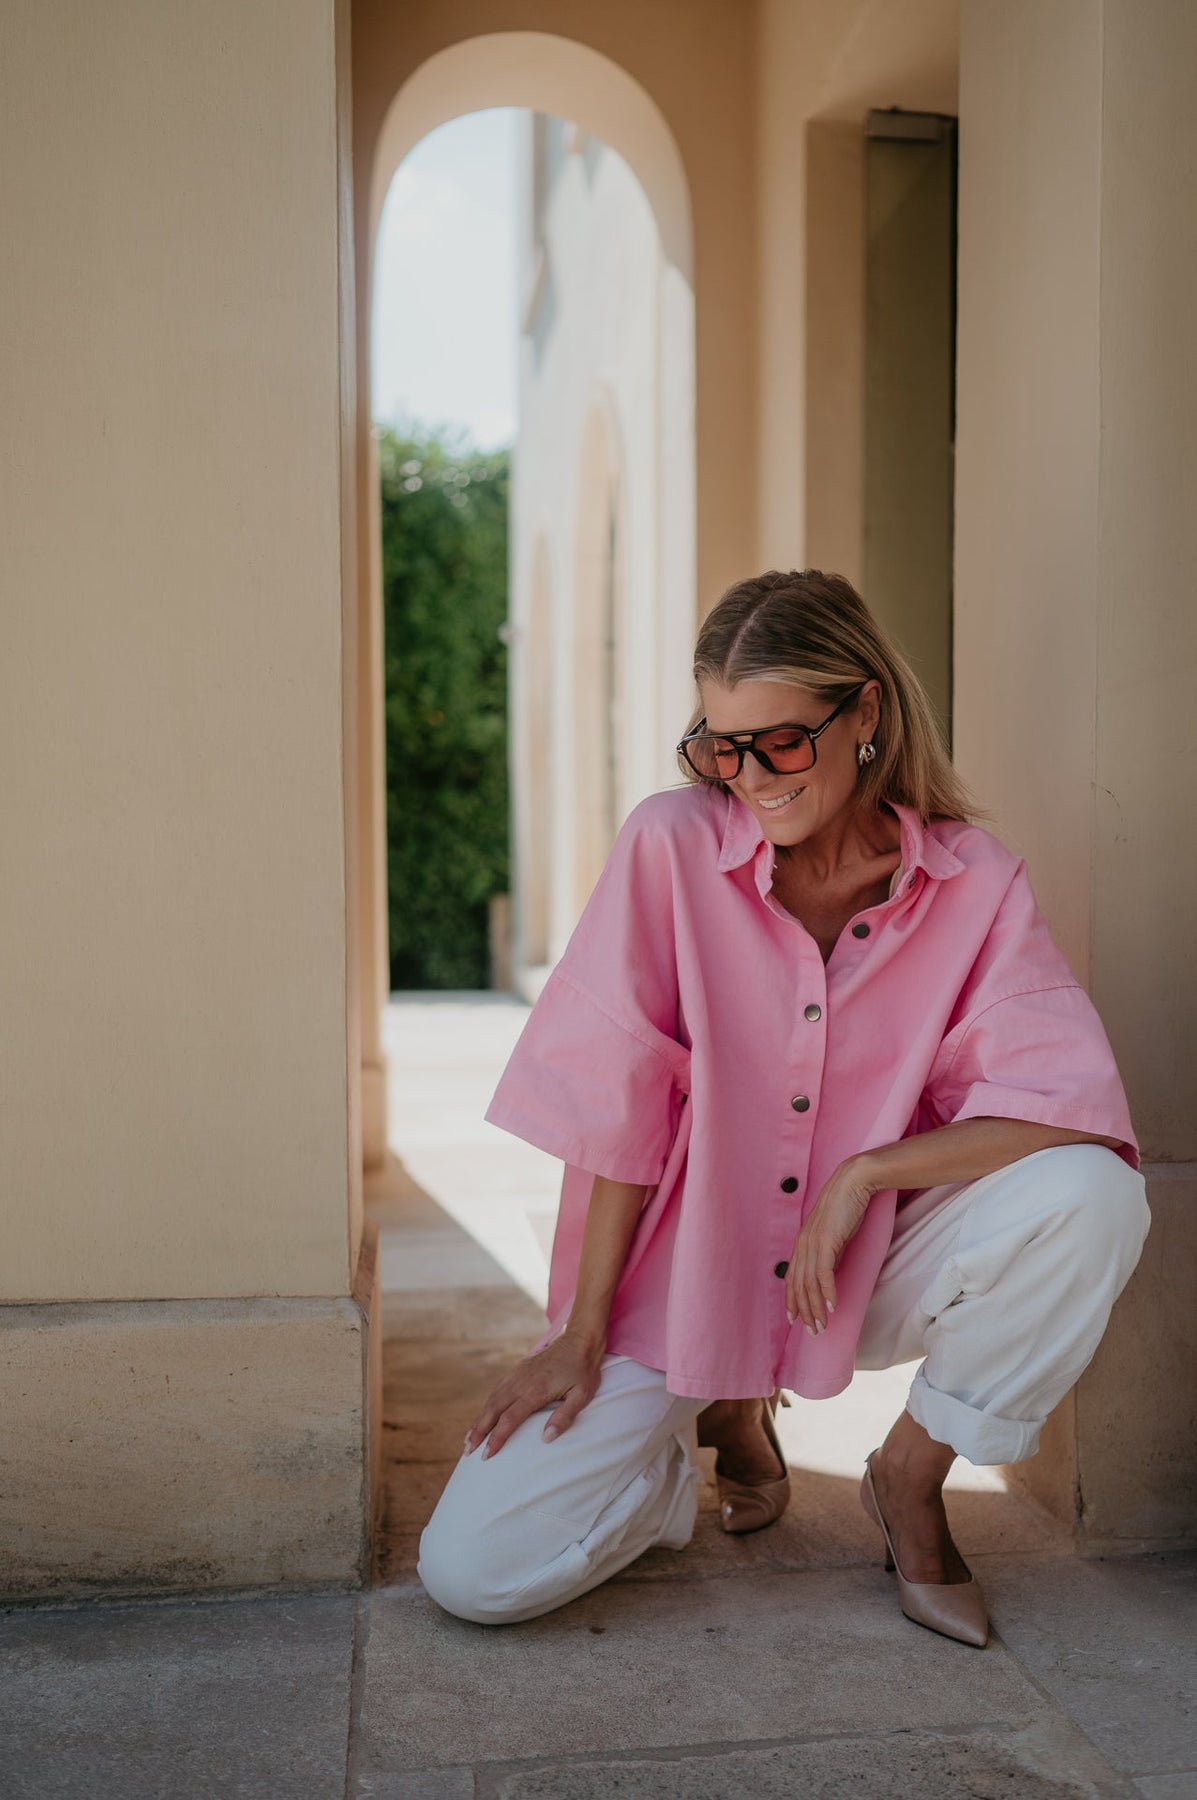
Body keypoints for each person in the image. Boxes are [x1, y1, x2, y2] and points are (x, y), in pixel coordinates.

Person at [417, 568, 1149, 1648]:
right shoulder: (669, 846)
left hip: (852, 1267)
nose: (750, 778)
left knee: (1093, 1196)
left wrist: (864, 1175)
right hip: (680, 1281)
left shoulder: (974, 882)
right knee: (473, 1572)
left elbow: (1066, 1103)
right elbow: (619, 1108)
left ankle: (908, 1479)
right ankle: (687, 1447)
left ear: (863, 713)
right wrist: (580, 1330)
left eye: (780, 743)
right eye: (721, 747)